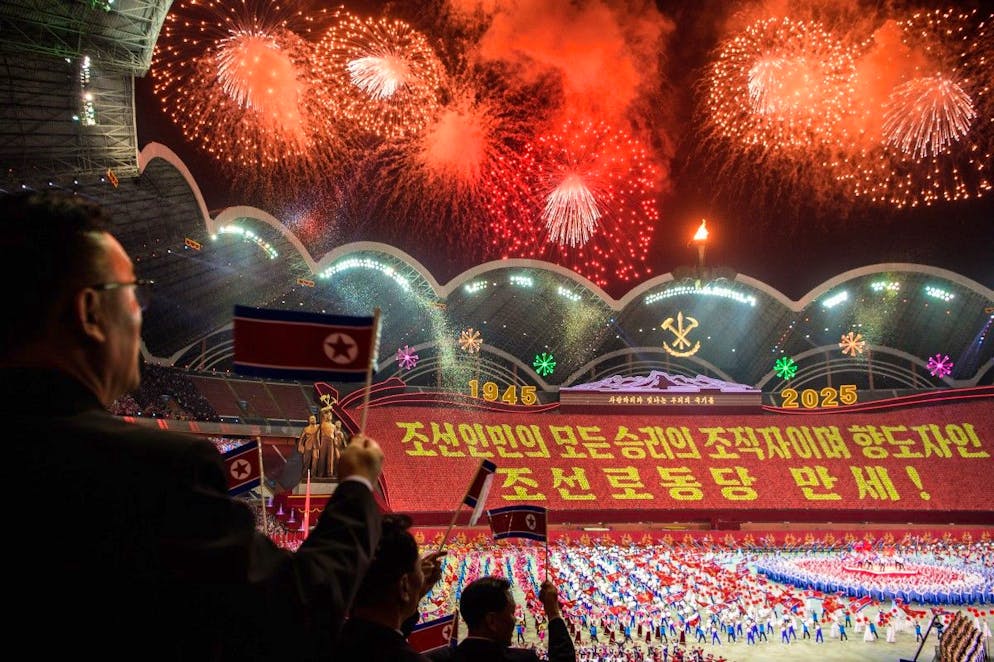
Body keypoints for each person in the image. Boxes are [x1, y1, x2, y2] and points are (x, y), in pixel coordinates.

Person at [1, 191, 385, 661]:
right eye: (134, 294)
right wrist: (358, 485)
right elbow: (293, 613)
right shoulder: (150, 471)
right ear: (89, 312)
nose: (142, 314)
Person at [337, 514, 446, 661]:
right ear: (403, 585)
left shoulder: (317, 647)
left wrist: (415, 595)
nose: (422, 578)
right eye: (419, 570)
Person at [429, 576, 576, 661]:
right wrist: (553, 613)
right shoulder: (523, 660)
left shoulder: (439, 659)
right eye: (511, 613)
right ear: (491, 621)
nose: (515, 619)